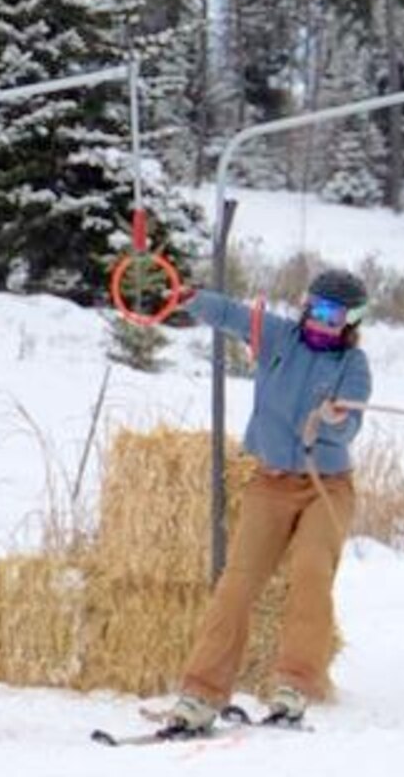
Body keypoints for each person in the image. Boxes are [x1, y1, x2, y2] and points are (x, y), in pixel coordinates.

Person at [154, 268, 373, 736]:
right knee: (238, 584)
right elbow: (233, 316)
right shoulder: (281, 338)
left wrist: (334, 420)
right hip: (270, 483)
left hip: (326, 485)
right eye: (315, 309)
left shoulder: (354, 366)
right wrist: (192, 299)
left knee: (311, 573)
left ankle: (294, 686)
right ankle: (201, 693)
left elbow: (351, 425)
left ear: (351, 321)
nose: (321, 321)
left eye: (333, 315)